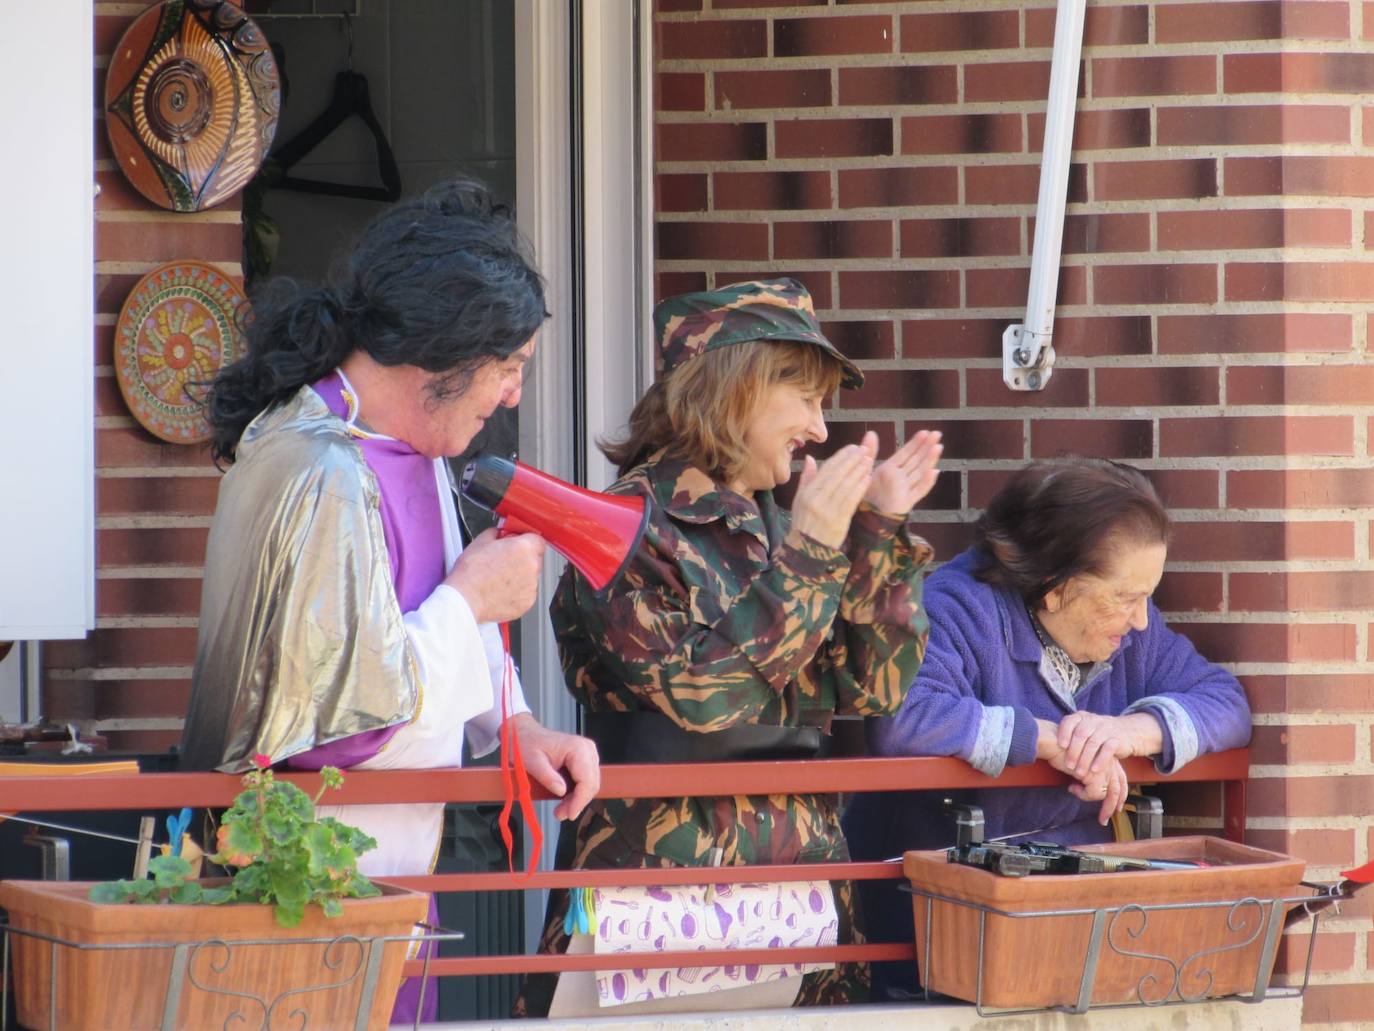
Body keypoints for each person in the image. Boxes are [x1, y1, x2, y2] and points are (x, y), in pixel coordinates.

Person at [178, 176, 599, 1024]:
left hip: (378, 893)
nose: (513, 394)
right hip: (298, 910)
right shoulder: (321, 467)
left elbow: (426, 622)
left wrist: (515, 724)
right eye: (509, 366)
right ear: (445, 354)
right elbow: (350, 720)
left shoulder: (403, 448)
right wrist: (472, 602)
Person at [513, 278, 944, 1016]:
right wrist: (812, 547)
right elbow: (704, 696)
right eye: (804, 396)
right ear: (736, 389)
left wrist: (876, 533)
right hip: (660, 890)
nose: (818, 425)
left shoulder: (786, 519)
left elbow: (871, 688)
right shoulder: (625, 526)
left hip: (801, 884)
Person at [842, 456, 1253, 999]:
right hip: (937, 944)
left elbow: (1227, 703)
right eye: (1126, 597)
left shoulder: (1132, 633)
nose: (1140, 619)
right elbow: (903, 720)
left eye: (1147, 597)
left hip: (1074, 937)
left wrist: (1130, 732)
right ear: (1054, 588)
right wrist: (1046, 741)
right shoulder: (954, 606)